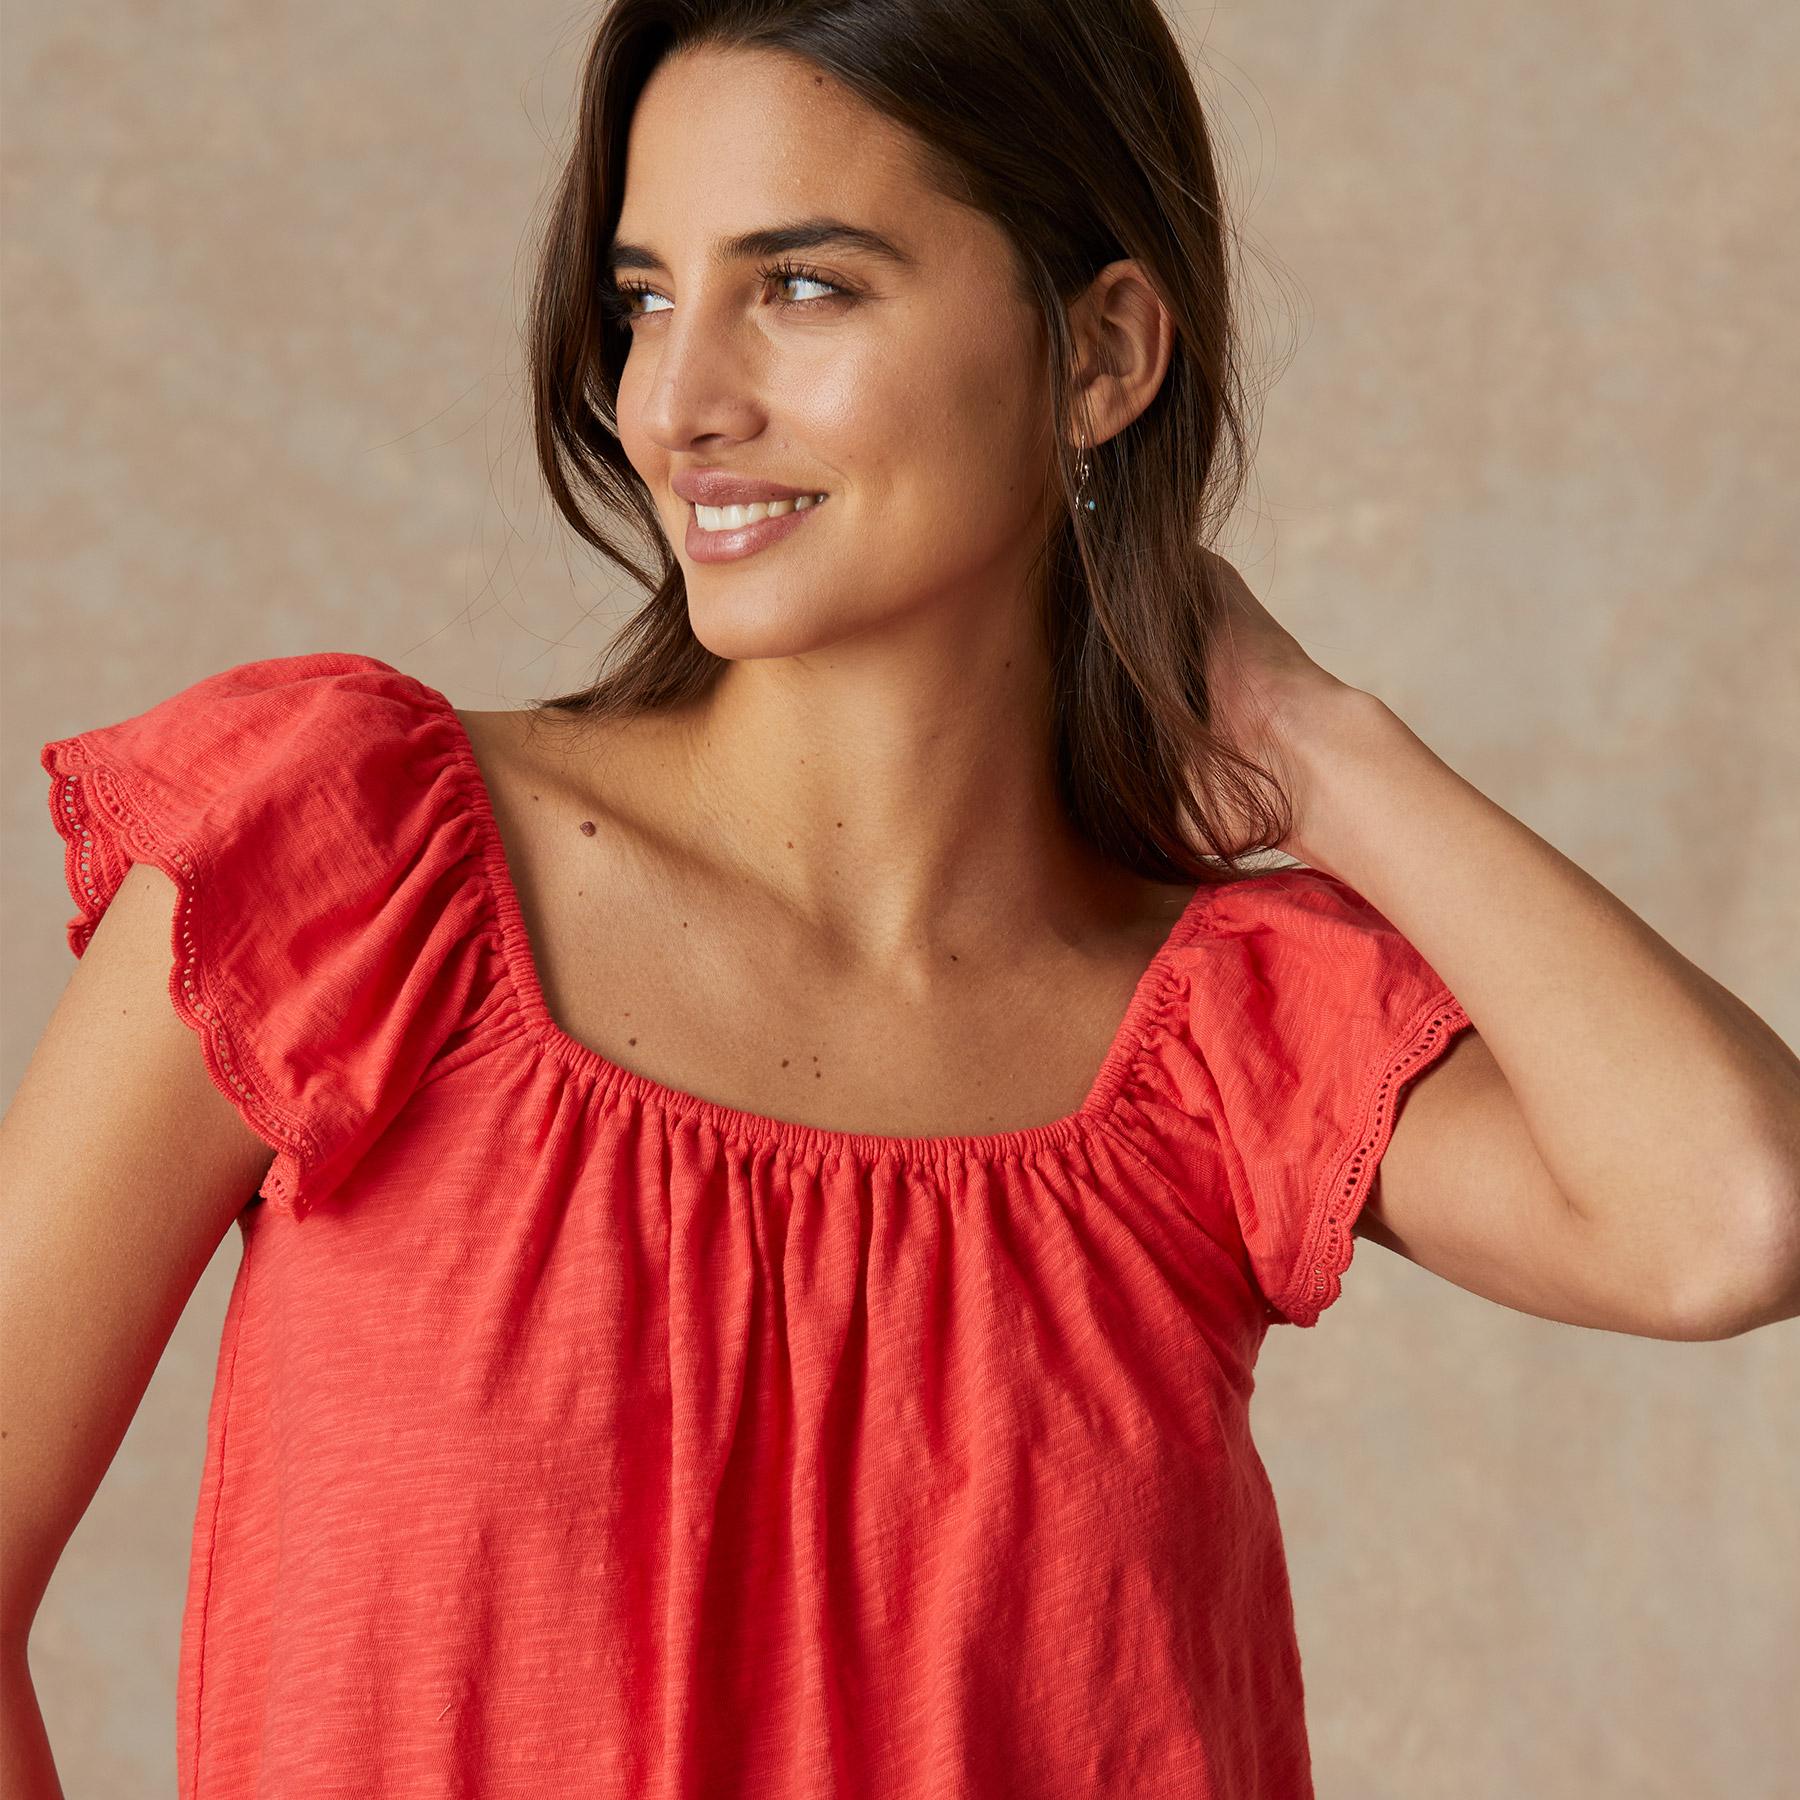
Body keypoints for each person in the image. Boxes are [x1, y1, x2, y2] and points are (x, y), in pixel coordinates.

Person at [5, 3, 1796, 1796]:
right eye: (646, 299)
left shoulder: (1216, 1037)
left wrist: (1316, 745)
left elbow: (1732, 1216)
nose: (677, 405)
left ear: (1103, 354)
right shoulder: (352, 868)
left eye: (803, 286)